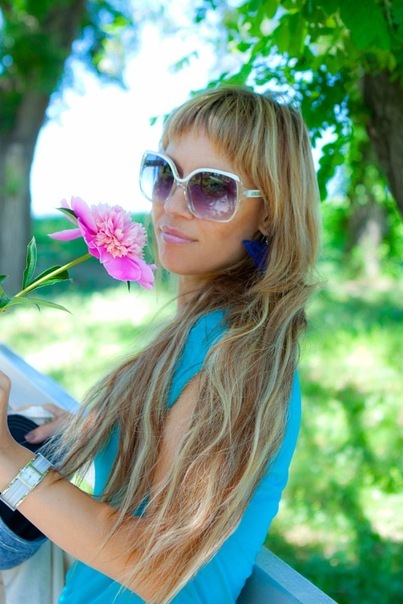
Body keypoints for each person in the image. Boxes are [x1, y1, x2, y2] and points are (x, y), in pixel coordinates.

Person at [0, 85, 321, 603]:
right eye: (165, 174)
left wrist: (8, 462)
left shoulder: (238, 355)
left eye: (212, 188)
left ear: (268, 213)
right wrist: (97, 425)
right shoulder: (205, 332)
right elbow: (172, 450)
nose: (172, 205)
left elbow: (159, 569)